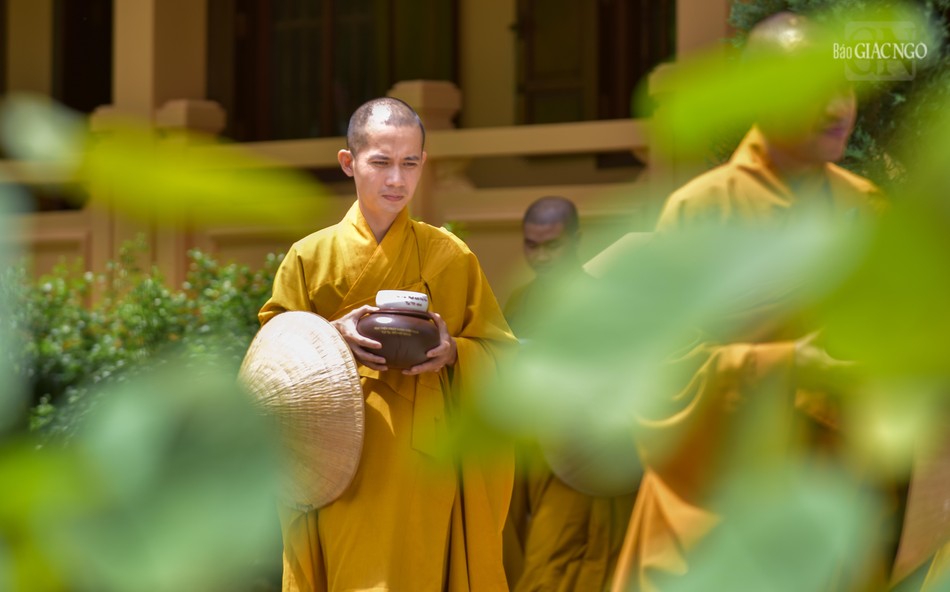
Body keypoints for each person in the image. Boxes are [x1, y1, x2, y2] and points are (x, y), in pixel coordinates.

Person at [608, 11, 897, 592]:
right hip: (710, 518)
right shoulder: (701, 212)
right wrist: (792, 368)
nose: (836, 105)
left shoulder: (868, 212)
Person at [259, 97, 517, 591]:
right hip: (340, 460)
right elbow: (269, 363)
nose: (396, 179)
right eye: (380, 162)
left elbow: (501, 355)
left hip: (427, 460)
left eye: (410, 163)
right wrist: (330, 335)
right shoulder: (310, 258)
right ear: (348, 162)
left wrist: (456, 352)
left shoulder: (451, 256)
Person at [503, 196, 637, 591]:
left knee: (569, 562)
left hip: (585, 453)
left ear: (576, 240)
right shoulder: (519, 300)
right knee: (533, 556)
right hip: (533, 454)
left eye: (552, 245)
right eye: (532, 245)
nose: (541, 257)